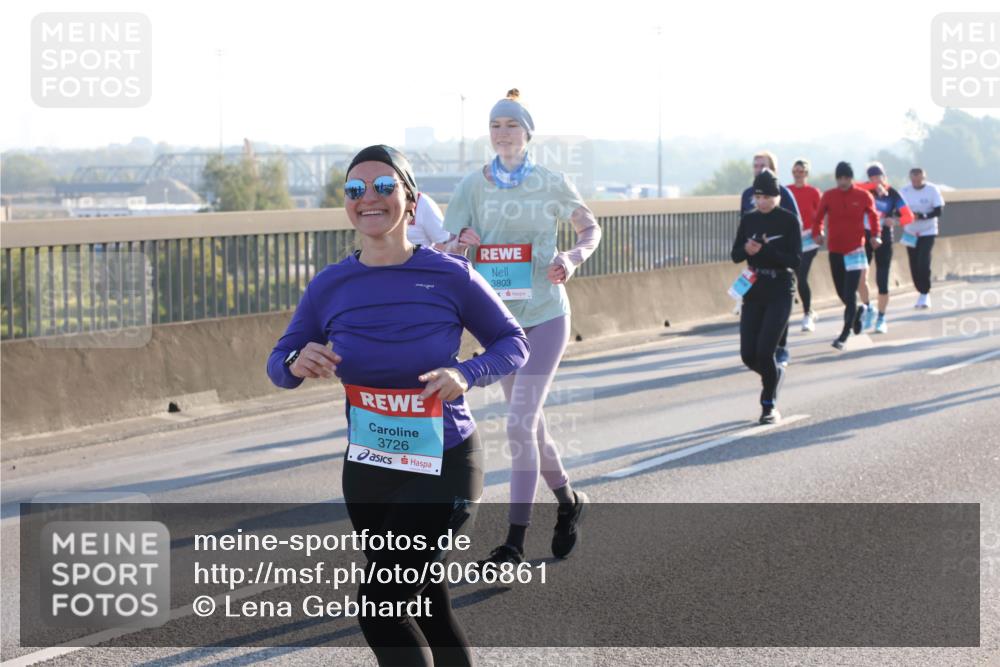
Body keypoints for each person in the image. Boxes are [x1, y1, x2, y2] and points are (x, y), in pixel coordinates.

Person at [267, 145, 529, 667]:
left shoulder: (451, 275)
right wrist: (299, 359)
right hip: (369, 466)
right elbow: (278, 365)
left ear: (411, 202)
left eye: (385, 187)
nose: (370, 198)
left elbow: (513, 343)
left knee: (380, 608)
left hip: (445, 462)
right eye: (355, 189)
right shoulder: (330, 284)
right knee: (426, 604)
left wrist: (465, 373)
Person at [444, 89, 602, 566]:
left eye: (511, 125)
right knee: (531, 426)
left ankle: (513, 542)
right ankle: (570, 502)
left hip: (547, 314)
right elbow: (447, 246)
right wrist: (460, 242)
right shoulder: (473, 185)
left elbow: (589, 228)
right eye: (495, 125)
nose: (502, 133)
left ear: (527, 134)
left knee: (519, 423)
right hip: (499, 322)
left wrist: (573, 257)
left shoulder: (551, 181)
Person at [731, 169, 802, 425]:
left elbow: (795, 260)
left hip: (780, 288)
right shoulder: (749, 220)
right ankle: (773, 376)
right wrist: (746, 249)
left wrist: (768, 249)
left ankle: (768, 404)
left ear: (778, 197)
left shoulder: (788, 221)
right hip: (754, 287)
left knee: (765, 351)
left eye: (767, 197)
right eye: (758, 197)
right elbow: (735, 254)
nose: (762, 202)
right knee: (748, 354)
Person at [740, 150, 802, 365]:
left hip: (779, 259)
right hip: (755, 264)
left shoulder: (783, 193)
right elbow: (744, 224)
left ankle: (780, 346)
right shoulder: (747, 194)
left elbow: (795, 222)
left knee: (778, 306)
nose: (758, 169)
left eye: (763, 166)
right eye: (755, 166)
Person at [814, 162, 881, 350]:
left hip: (855, 250)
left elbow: (874, 216)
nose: (843, 182)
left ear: (852, 178)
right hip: (835, 249)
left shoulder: (863, 195)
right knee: (841, 292)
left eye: (846, 178)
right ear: (836, 179)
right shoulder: (829, 196)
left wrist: (876, 236)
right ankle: (857, 313)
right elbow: (818, 217)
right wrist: (817, 233)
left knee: (850, 292)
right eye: (840, 178)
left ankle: (844, 335)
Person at [856, 163, 914, 333]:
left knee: (882, 280)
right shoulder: (865, 191)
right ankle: (867, 309)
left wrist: (895, 221)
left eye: (879, 177)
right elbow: (852, 186)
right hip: (864, 236)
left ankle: (881, 317)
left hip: (884, 238)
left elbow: (908, 216)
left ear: (884, 176)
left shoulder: (893, 194)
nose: (876, 180)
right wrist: (874, 186)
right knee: (860, 277)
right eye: (872, 177)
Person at [786, 159, 823, 332]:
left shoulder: (814, 192)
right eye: (795, 172)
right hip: (793, 239)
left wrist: (819, 231)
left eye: (801, 172)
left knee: (802, 274)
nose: (798, 175)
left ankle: (807, 314)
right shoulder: (787, 191)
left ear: (806, 174)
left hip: (810, 238)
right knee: (795, 275)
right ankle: (809, 308)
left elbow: (821, 214)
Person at [900, 167, 945, 309]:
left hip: (928, 231)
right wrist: (908, 215)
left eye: (919, 180)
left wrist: (923, 216)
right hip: (910, 232)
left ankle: (925, 293)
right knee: (913, 264)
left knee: (923, 261)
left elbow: (938, 210)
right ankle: (920, 290)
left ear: (923, 178)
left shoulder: (932, 190)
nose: (916, 183)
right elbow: (897, 210)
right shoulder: (904, 191)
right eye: (913, 180)